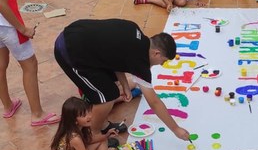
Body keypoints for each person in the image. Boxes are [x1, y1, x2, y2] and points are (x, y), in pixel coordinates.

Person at [54, 18, 191, 138]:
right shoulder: (140, 61)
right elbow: (154, 102)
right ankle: (92, 135)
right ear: (157, 53)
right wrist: (176, 129)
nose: (161, 64)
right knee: (107, 96)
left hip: (76, 34)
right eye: (163, 61)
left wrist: (125, 85)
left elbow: (116, 58)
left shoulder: (134, 29)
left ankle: (101, 123)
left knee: (109, 87)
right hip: (69, 51)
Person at [0, 0, 59, 126]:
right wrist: (22, 28)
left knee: (1, 63)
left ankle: (7, 105)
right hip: (7, 24)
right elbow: (2, 3)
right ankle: (37, 114)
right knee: (30, 64)